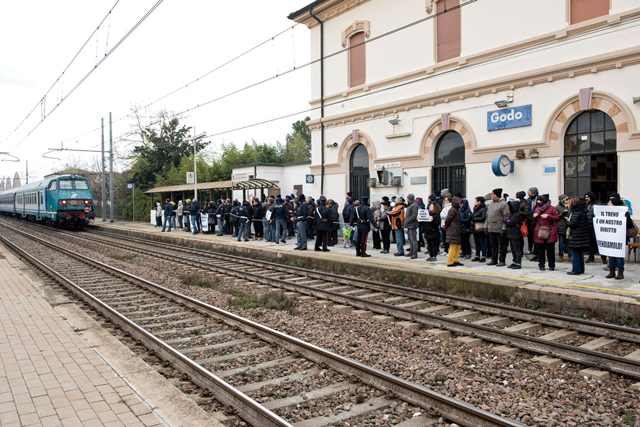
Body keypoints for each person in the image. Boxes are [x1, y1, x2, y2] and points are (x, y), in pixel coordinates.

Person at [606, 196, 634, 280]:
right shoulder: (607, 213)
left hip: (620, 238)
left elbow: (629, 225)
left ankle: (620, 272)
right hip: (611, 237)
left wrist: (626, 217)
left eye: (610, 203)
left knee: (618, 256)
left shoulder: (624, 213)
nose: (608, 204)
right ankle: (611, 271)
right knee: (611, 255)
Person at [532, 194, 559, 271]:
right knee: (540, 250)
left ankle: (551, 265)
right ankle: (541, 265)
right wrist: (534, 216)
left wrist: (548, 216)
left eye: (539, 200)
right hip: (539, 230)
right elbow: (533, 220)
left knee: (550, 250)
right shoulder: (537, 209)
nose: (538, 202)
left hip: (550, 230)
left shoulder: (552, 208)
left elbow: (557, 218)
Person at [565, 197, 590, 275]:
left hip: (576, 235)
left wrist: (566, 221)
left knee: (575, 252)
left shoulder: (576, 213)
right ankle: (581, 269)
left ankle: (576, 269)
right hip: (582, 234)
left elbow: (573, 224)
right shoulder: (583, 212)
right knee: (579, 253)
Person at [486, 188, 508, 267]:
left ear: (497, 195)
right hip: (491, 228)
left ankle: (502, 260)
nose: (491, 195)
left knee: (502, 245)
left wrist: (504, 228)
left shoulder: (503, 204)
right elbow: (487, 216)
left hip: (499, 228)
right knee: (493, 245)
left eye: (492, 194)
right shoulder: (491, 204)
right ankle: (494, 259)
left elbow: (506, 216)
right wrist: (486, 227)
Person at [585, 191, 607, 264]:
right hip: (588, 227)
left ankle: (603, 258)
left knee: (599, 243)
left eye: (588, 197)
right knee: (590, 244)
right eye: (586, 197)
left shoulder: (599, 205)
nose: (586, 198)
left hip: (596, 228)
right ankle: (591, 257)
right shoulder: (586, 205)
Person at [444, 196, 463, 267]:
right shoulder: (453, 210)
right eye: (460, 203)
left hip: (456, 230)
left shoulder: (455, 209)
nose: (461, 205)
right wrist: (446, 227)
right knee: (453, 246)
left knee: (458, 246)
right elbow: (448, 220)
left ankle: (455, 260)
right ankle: (449, 262)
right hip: (453, 230)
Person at [505, 200, 523, 269]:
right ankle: (514, 261)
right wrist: (507, 220)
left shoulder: (516, 214)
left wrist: (507, 220)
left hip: (515, 233)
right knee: (512, 249)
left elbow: (509, 222)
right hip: (510, 233)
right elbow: (506, 219)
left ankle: (518, 263)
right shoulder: (511, 214)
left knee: (516, 249)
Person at [471, 196, 487, 262]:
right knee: (476, 243)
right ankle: (477, 255)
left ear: (479, 201)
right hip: (475, 228)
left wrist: (474, 219)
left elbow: (483, 218)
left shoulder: (483, 209)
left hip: (480, 228)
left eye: (476, 201)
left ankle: (483, 256)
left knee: (482, 242)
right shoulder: (475, 208)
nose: (475, 202)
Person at [425, 195, 442, 262]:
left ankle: (434, 256)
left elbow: (437, 223)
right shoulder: (428, 214)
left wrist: (433, 220)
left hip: (433, 232)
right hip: (428, 232)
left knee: (433, 245)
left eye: (431, 206)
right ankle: (431, 255)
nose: (430, 207)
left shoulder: (436, 215)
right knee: (429, 246)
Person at [404, 194, 420, 259]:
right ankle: (411, 251)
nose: (406, 199)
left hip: (412, 225)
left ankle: (415, 253)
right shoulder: (411, 205)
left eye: (407, 198)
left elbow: (414, 216)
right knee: (410, 239)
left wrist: (407, 221)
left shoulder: (414, 206)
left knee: (413, 239)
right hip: (409, 225)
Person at [526, 187, 539, 258]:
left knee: (534, 235)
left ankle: (535, 250)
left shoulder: (537, 199)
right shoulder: (528, 200)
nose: (528, 192)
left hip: (535, 219)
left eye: (529, 191)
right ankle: (530, 248)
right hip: (529, 219)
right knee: (529, 235)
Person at [556, 194, 569, 262]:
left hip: (568, 227)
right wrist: (561, 215)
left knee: (569, 243)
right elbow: (555, 217)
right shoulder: (557, 208)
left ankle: (570, 255)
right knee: (561, 243)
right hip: (560, 226)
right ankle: (560, 255)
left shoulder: (570, 207)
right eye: (566, 199)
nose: (568, 201)